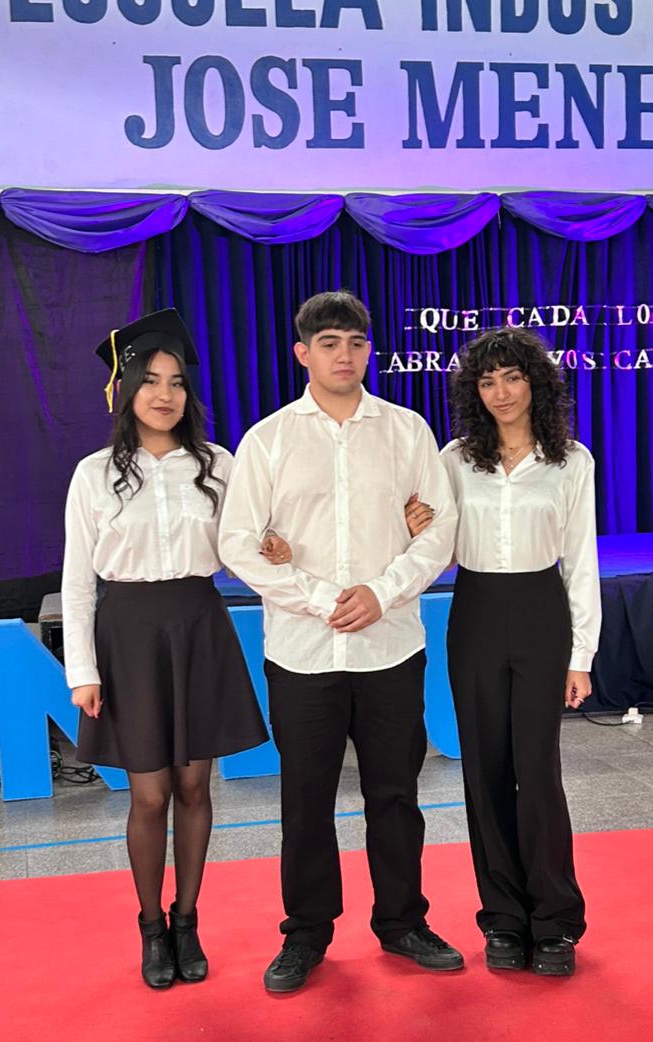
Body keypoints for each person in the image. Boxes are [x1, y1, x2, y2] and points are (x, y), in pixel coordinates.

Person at [218, 290, 461, 994]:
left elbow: (440, 531)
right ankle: (306, 933)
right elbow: (238, 543)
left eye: (355, 342)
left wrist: (382, 591)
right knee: (305, 800)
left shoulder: (407, 431)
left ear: (369, 350)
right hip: (303, 651)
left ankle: (403, 922)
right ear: (303, 353)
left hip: (390, 645)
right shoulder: (267, 440)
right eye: (328, 343)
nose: (344, 355)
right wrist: (325, 599)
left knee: (396, 794)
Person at [61, 309, 268, 990]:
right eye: (150, 380)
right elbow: (77, 580)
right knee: (149, 795)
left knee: (194, 785)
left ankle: (187, 920)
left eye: (176, 382)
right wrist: (83, 671)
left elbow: (253, 542)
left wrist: (281, 547)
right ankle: (151, 925)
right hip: (127, 634)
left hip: (198, 625)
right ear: (125, 391)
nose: (165, 394)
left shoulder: (217, 465)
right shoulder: (94, 474)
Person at [437, 326, 601, 977]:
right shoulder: (455, 459)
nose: (501, 392)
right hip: (475, 611)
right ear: (474, 392)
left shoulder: (572, 461)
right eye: (487, 381)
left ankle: (555, 922)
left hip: (540, 614)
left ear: (535, 382)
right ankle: (503, 918)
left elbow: (581, 561)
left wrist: (581, 654)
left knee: (536, 772)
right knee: (484, 772)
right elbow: (431, 544)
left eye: (512, 377)